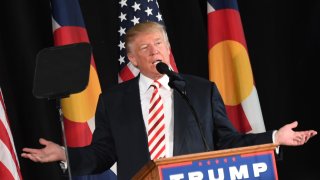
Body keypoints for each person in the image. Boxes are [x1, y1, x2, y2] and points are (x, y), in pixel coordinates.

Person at [21, 21, 317, 180]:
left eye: (158, 43)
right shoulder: (113, 100)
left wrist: (276, 137)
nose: (154, 52)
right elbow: (103, 154)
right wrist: (64, 154)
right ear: (133, 59)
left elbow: (227, 142)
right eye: (144, 48)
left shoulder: (201, 90)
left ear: (168, 47)